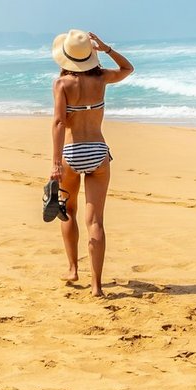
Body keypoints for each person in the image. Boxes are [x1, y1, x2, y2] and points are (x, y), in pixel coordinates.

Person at [50, 29, 134, 297]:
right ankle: (97, 286)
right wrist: (106, 48)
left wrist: (55, 162)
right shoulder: (101, 79)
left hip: (72, 152)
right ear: (89, 55)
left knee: (68, 210)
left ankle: (73, 269)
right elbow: (127, 68)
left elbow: (60, 122)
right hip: (98, 151)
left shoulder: (62, 85)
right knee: (95, 221)